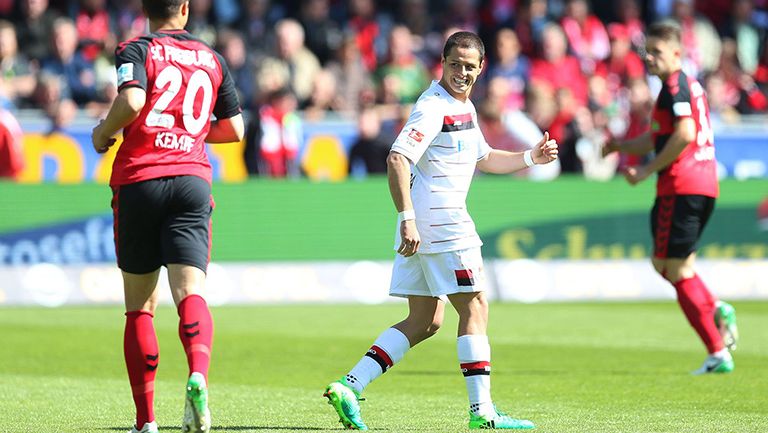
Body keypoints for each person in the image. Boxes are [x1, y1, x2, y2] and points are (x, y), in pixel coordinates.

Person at [323, 31, 558, 431]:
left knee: (425, 320)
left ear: (481, 68)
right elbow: (397, 158)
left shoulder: (461, 106)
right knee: (476, 307)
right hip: (443, 223)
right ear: (443, 64)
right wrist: (406, 218)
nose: (462, 73)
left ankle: (351, 385)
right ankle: (482, 414)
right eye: (455, 65)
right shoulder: (433, 107)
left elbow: (483, 157)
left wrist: (528, 157)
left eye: (469, 66)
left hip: (427, 225)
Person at [90, 1, 244, 432]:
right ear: (185, 8)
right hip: (192, 180)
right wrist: (186, 130)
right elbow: (235, 129)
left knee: (140, 307)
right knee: (190, 291)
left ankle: (146, 422)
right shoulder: (212, 57)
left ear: (145, 7)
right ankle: (197, 373)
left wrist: (105, 131)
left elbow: (133, 100)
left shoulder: (135, 48)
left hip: (141, 179)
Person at [602, 21, 738, 375]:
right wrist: (620, 146)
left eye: (657, 52)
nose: (649, 57)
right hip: (703, 184)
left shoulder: (675, 86)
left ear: (677, 53)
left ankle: (717, 350)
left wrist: (646, 171)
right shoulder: (685, 87)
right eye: (647, 51)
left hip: (682, 185)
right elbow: (656, 137)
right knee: (672, 266)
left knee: (672, 268)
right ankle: (716, 308)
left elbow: (684, 134)